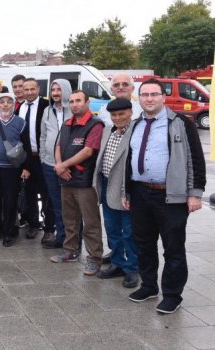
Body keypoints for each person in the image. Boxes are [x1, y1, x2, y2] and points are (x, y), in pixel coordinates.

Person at [123, 78, 205, 314]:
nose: (149, 99)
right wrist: (126, 191)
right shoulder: (136, 124)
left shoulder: (180, 123)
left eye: (154, 94)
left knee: (173, 248)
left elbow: (196, 159)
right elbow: (129, 160)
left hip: (170, 196)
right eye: (145, 95)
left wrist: (195, 193)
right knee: (144, 244)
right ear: (139, 98)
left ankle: (172, 294)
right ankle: (149, 286)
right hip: (140, 194)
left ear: (163, 97)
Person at [50, 90, 104, 277]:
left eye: (78, 101)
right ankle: (70, 251)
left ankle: (94, 259)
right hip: (65, 179)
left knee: (90, 223)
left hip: (85, 182)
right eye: (72, 101)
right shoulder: (66, 124)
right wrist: (58, 166)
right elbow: (57, 146)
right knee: (69, 219)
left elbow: (88, 151)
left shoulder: (95, 125)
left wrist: (63, 165)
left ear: (87, 103)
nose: (75, 104)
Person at [92, 98, 138, 288]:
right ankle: (117, 263)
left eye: (122, 114)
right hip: (106, 184)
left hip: (125, 187)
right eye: (114, 115)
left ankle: (133, 268)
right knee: (112, 228)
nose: (118, 118)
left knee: (129, 231)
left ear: (130, 113)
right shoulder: (107, 130)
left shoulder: (136, 132)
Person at [0, 93, 31, 247]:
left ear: (13, 104)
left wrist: (26, 168)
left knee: (10, 201)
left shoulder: (20, 123)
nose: (5, 105)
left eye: (8, 102)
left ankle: (9, 231)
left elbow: (27, 146)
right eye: (1, 102)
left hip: (12, 168)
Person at [39, 79, 72, 249]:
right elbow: (43, 135)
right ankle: (61, 237)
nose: (56, 93)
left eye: (59, 89)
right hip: (49, 164)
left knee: (69, 204)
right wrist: (44, 158)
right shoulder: (47, 111)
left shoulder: (73, 110)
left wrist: (66, 163)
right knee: (55, 203)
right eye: (53, 89)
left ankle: (73, 239)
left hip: (68, 165)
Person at [16, 78, 51, 240]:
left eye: (32, 89)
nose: (29, 92)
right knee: (29, 193)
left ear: (38, 89)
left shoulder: (46, 106)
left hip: (44, 157)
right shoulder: (20, 108)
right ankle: (34, 224)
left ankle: (50, 226)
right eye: (26, 89)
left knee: (47, 193)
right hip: (27, 159)